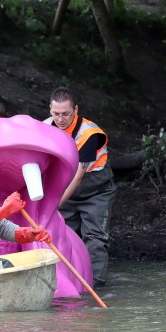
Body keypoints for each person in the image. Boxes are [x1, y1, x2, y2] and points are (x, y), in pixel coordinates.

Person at [43, 87, 117, 286]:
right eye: (56, 114)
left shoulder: (89, 133)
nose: (61, 119)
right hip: (65, 190)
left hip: (95, 192)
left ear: (75, 110)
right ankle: (67, 283)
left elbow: (76, 176)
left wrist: (54, 205)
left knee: (94, 238)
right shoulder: (43, 128)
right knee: (64, 235)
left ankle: (96, 284)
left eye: (66, 114)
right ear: (50, 110)